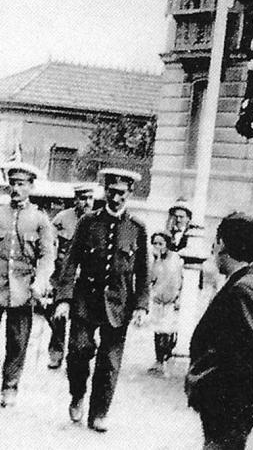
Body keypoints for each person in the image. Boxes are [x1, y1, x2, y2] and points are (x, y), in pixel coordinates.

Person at [54, 168, 149, 433]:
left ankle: (99, 413)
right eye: (111, 192)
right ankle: (77, 394)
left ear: (130, 193)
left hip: (119, 304)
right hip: (86, 302)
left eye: (121, 193)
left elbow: (143, 271)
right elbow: (71, 262)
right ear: (104, 191)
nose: (116, 198)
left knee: (109, 362)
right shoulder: (88, 222)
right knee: (78, 352)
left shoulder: (137, 228)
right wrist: (64, 299)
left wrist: (141, 305)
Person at [0, 161, 56, 408]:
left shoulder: (39, 219)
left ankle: (10, 386)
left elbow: (47, 256)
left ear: (31, 186)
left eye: (21, 184)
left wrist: (40, 282)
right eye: (13, 184)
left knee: (17, 340)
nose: (16, 189)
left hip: (22, 287)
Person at [186, 213, 253, 450]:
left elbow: (242, 351)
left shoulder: (241, 288)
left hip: (228, 398)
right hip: (230, 397)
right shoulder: (248, 280)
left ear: (222, 243)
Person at [45, 182, 95, 369]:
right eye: (83, 198)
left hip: (86, 280)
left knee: (82, 320)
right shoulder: (62, 219)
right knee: (57, 317)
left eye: (90, 198)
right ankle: (56, 353)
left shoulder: (97, 220)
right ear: (76, 200)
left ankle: (76, 356)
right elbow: (49, 247)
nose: (87, 202)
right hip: (63, 276)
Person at [148, 230, 184, 375]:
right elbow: (151, 278)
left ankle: (166, 358)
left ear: (167, 245)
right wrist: (156, 261)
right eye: (155, 243)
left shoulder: (176, 259)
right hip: (158, 300)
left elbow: (179, 280)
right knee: (158, 331)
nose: (157, 246)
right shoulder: (154, 260)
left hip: (171, 301)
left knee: (168, 331)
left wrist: (179, 298)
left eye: (161, 244)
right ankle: (158, 360)